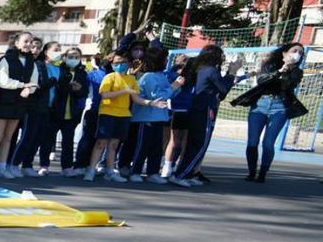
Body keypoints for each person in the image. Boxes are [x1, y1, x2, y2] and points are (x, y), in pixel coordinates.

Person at [84, 51, 169, 182]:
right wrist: (124, 91)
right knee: (101, 142)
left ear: (129, 64)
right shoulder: (110, 77)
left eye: (123, 62)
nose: (120, 65)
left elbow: (136, 98)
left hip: (123, 114)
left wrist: (152, 103)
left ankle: (110, 170)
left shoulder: (131, 79)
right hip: (107, 113)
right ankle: (91, 169)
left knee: (114, 144)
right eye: (117, 63)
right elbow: (104, 95)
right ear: (112, 65)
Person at [172, 44, 241, 186]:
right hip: (205, 109)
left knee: (192, 142)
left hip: (195, 107)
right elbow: (223, 89)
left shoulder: (199, 68)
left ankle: (187, 173)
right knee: (200, 143)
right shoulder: (211, 70)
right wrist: (231, 72)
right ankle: (182, 174)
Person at [241, 42, 303, 183]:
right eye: (294, 51)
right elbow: (262, 80)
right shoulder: (268, 65)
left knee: (268, 143)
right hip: (260, 104)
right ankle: (251, 171)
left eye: (300, 53)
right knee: (252, 142)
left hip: (279, 106)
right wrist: (280, 70)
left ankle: (263, 172)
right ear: (284, 53)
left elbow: (288, 85)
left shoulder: (297, 72)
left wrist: (288, 70)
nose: (297, 54)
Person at [0, 31, 36, 179]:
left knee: (9, 137)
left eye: (31, 42)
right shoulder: (6, 59)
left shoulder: (32, 60)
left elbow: (34, 81)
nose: (29, 45)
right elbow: (3, 81)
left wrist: (29, 89)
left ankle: (3, 166)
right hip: (3, 102)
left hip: (19, 104)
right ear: (17, 43)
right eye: (26, 41)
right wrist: (23, 85)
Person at [127, 47, 178, 184]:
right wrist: (174, 86)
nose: (167, 60)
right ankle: (135, 171)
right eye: (164, 58)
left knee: (156, 147)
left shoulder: (161, 75)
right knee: (143, 145)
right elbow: (157, 96)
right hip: (146, 118)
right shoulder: (148, 77)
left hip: (159, 117)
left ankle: (153, 172)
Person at [10, 40, 60, 177]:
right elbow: (36, 86)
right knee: (28, 136)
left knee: (38, 138)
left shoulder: (58, 68)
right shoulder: (38, 65)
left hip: (48, 108)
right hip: (33, 106)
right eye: (55, 49)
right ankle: (14, 163)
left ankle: (27, 164)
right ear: (46, 51)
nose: (58, 52)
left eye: (59, 49)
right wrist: (50, 83)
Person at [52, 46, 87, 177]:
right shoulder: (58, 70)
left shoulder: (82, 73)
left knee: (68, 141)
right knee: (48, 138)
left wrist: (78, 89)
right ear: (65, 58)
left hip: (72, 112)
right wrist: (67, 86)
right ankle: (43, 165)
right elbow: (56, 87)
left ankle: (67, 167)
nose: (74, 59)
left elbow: (84, 92)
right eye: (71, 56)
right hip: (56, 109)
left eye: (77, 57)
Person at [73, 55, 109, 177]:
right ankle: (81, 165)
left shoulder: (113, 75)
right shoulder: (93, 75)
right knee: (89, 138)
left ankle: (90, 165)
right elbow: (84, 92)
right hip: (94, 110)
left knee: (97, 139)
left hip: (108, 112)